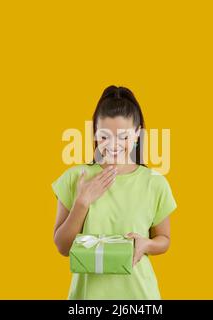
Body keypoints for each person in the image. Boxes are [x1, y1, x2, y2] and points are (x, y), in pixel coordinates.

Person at [52, 85, 177, 299]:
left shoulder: (155, 183)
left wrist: (147, 244)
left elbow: (164, 239)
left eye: (123, 137)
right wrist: (82, 203)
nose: (113, 145)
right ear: (94, 132)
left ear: (137, 133)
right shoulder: (75, 178)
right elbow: (63, 247)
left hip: (139, 297)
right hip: (87, 299)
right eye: (104, 137)